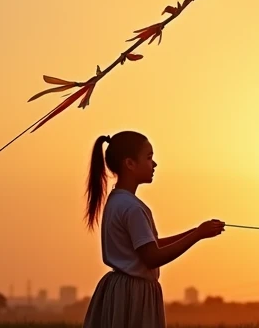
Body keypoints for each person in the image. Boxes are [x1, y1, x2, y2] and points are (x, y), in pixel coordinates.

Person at [82, 130, 225, 328]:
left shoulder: (117, 201)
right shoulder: (132, 208)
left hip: (120, 290)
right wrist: (198, 235)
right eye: (149, 158)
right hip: (134, 295)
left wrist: (197, 231)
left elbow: (150, 245)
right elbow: (152, 257)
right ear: (130, 163)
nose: (154, 164)